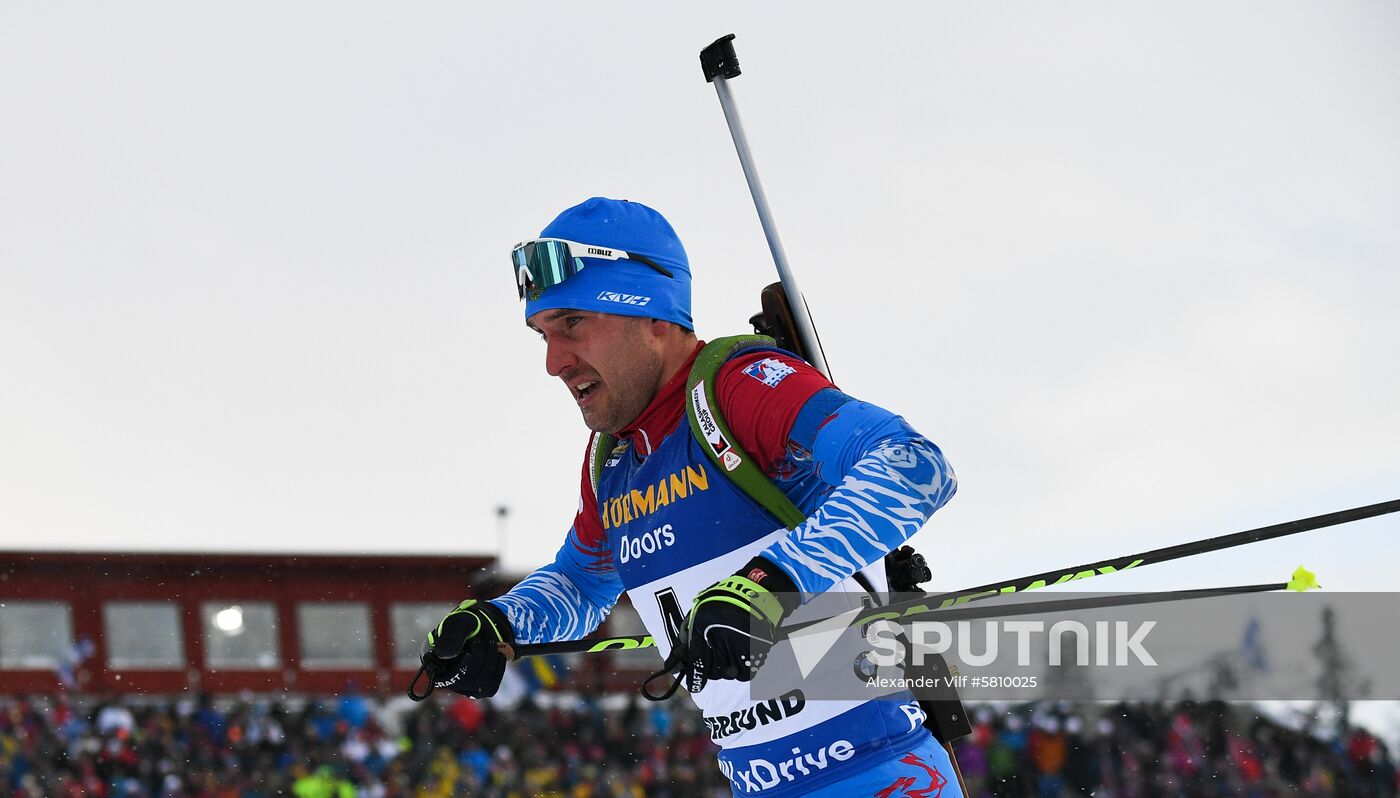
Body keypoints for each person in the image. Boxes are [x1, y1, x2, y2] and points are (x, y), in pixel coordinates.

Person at [420, 197, 962, 796]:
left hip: (878, 773)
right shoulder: (614, 459)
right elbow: (581, 583)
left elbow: (915, 468)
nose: (554, 363)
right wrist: (498, 620)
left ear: (651, 314)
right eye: (542, 334)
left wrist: (771, 584)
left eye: (572, 323)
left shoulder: (736, 389)